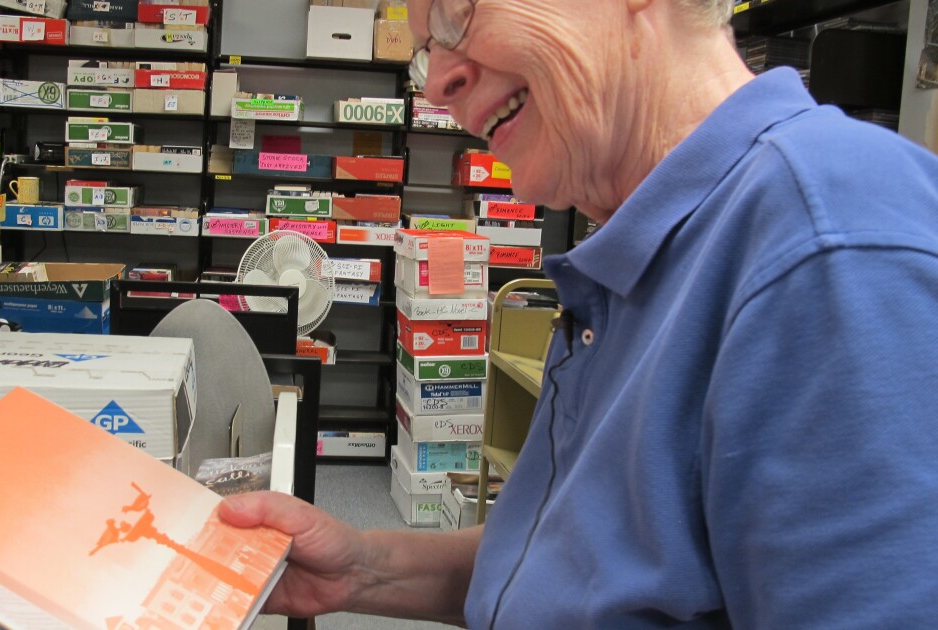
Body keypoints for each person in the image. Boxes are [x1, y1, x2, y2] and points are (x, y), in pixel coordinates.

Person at [220, 0, 938, 626]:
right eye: (427, 51)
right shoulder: (647, 253)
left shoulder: (830, 239)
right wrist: (363, 568)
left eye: (458, 13)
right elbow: (579, 570)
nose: (436, 83)